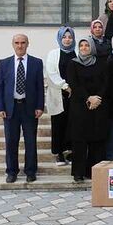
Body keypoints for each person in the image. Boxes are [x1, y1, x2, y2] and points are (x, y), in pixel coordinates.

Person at [0, 34, 44, 183]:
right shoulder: (4, 63)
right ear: (12, 44)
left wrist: (40, 106)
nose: (20, 45)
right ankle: (11, 171)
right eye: (17, 43)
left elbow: (39, 87)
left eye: (23, 42)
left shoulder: (36, 62)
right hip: (11, 108)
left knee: (30, 141)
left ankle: (30, 171)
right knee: (11, 141)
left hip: (29, 107)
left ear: (28, 44)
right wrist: (0, 107)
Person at [66, 37, 108, 182]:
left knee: (97, 139)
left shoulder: (101, 63)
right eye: (81, 45)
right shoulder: (73, 64)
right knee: (79, 140)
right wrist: (88, 98)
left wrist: (97, 98)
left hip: (98, 105)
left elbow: (105, 83)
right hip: (79, 106)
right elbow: (73, 83)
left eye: (87, 45)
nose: (84, 48)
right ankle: (78, 172)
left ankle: (94, 171)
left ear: (92, 47)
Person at [44, 26, 76, 166]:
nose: (67, 40)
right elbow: (51, 73)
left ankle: (70, 151)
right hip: (59, 93)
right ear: (60, 38)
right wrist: (65, 86)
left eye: (70, 37)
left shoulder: (77, 52)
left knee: (72, 124)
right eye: (64, 37)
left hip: (74, 95)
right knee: (58, 124)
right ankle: (58, 153)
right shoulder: (53, 53)